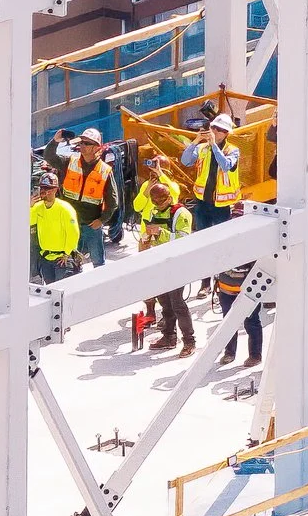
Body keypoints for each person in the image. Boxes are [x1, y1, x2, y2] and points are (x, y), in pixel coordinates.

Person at [134, 169, 195, 355]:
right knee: (165, 303)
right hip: (160, 262)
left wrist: (161, 233)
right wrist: (146, 240)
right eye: (155, 202)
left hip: (178, 264)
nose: (158, 205)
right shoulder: (155, 211)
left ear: (169, 197)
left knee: (178, 304)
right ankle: (169, 336)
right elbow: (151, 235)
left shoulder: (181, 214)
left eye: (161, 201)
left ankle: (189, 341)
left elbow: (184, 239)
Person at [44, 126, 120, 268]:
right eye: (81, 142)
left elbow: (113, 201)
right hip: (70, 223)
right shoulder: (70, 162)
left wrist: (101, 220)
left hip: (91, 225)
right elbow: (49, 157)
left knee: (98, 262)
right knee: (71, 260)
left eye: (86, 143)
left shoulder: (104, 171)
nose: (82, 145)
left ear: (96, 147)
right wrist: (55, 140)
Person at [181, 112, 244, 229]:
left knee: (221, 235)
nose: (215, 131)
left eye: (219, 129)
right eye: (213, 127)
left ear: (226, 133)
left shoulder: (233, 150)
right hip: (202, 201)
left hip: (222, 205)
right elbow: (185, 161)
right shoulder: (202, 147)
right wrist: (196, 141)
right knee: (202, 234)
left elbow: (225, 166)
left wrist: (214, 146)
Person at [28, 172, 81, 284]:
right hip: (46, 258)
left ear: (55, 190)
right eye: (43, 188)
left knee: (63, 288)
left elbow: (73, 232)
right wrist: (29, 207)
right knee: (50, 289)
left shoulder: (65, 209)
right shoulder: (37, 207)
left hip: (62, 259)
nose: (45, 192)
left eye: (49, 189)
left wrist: (67, 253)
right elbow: (29, 223)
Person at [212, 261, 264, 368]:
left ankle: (255, 355)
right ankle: (229, 353)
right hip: (225, 289)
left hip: (249, 290)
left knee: (252, 322)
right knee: (228, 323)